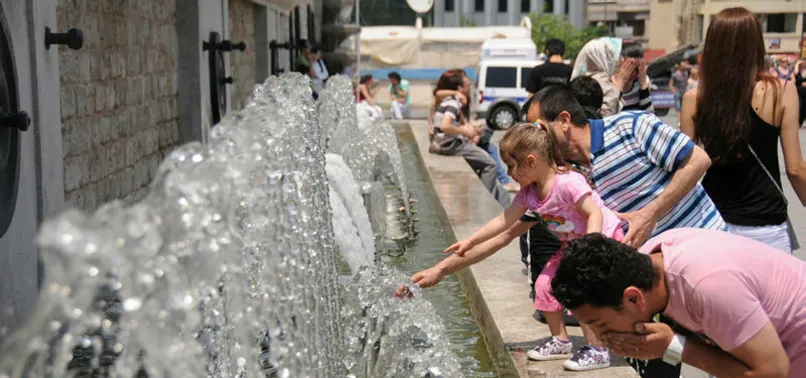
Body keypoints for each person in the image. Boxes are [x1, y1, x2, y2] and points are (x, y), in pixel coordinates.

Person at [409, 122, 624, 371]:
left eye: (511, 165)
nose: (508, 173)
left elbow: (594, 211)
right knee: (544, 285)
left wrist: (591, 247)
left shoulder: (567, 183)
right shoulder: (530, 194)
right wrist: (470, 240)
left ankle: (597, 350)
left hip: (600, 241)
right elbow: (503, 223)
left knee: (581, 289)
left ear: (531, 161)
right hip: (572, 245)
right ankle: (560, 340)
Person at [551, 229, 806, 378]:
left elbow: (772, 373)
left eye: (600, 324)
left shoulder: (707, 284)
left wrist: (674, 347)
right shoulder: (652, 260)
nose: (600, 336)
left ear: (632, 297)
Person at [526, 85, 725, 248]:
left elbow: (698, 160)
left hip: (703, 245)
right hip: (655, 274)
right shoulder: (563, 173)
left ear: (563, 120)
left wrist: (650, 214)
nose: (532, 137)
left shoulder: (631, 126)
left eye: (536, 127)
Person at [680, 7, 806, 253]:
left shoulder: (693, 98)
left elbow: (686, 168)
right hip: (766, 225)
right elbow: (795, 168)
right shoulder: (781, 91)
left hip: (712, 221)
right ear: (755, 44)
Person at [432, 73, 510, 207]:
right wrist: (465, 131)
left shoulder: (449, 100)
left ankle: (498, 195)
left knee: (487, 151)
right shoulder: (454, 104)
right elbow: (445, 126)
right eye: (467, 85)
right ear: (460, 88)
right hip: (450, 144)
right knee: (490, 164)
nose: (470, 88)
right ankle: (487, 200)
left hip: (446, 142)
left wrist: (470, 128)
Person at [571, 37, 638, 117]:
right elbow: (606, 118)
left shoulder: (577, 82)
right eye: (610, 54)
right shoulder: (596, 85)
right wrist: (617, 89)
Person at [619, 41, 654, 113]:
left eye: (637, 68)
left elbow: (648, 115)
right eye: (628, 66)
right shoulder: (611, 83)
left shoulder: (642, 80)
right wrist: (620, 84)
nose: (633, 73)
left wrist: (643, 86)